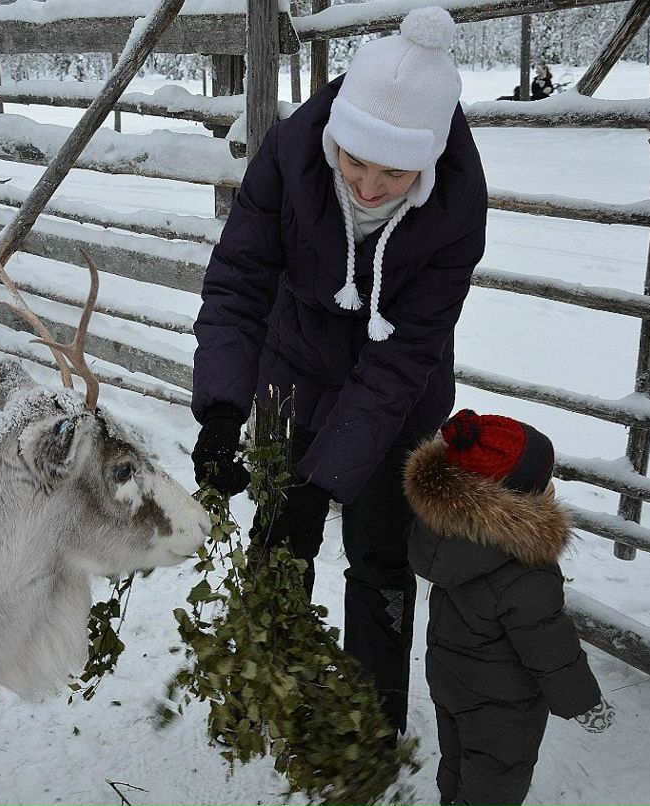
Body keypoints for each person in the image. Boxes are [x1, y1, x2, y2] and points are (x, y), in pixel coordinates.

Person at [190, 5, 486, 735]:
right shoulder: (291, 156)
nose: (369, 184)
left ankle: (370, 720)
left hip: (398, 397)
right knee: (277, 533)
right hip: (294, 370)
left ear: (429, 154)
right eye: (356, 161)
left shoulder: (455, 209)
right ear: (337, 134)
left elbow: (402, 360)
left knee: (376, 553)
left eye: (394, 171)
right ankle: (260, 679)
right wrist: (222, 409)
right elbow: (239, 281)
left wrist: (323, 483)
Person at [403, 409, 615, 806]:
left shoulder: (446, 534)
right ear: (515, 499)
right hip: (502, 703)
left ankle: (451, 797)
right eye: (544, 481)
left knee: (459, 754)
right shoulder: (525, 568)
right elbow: (550, 646)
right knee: (497, 775)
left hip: (449, 679)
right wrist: (584, 703)